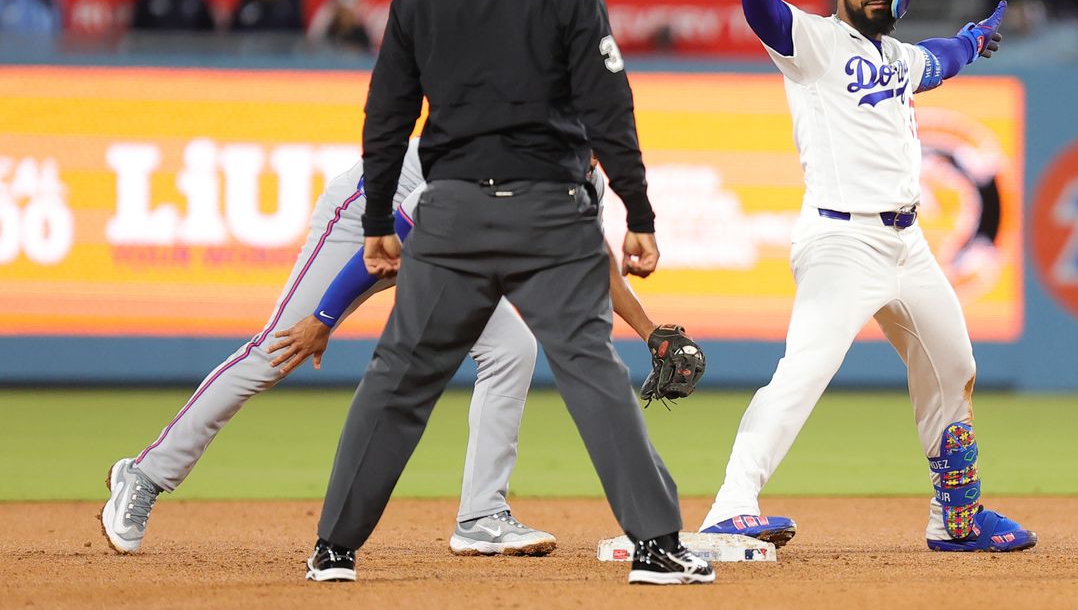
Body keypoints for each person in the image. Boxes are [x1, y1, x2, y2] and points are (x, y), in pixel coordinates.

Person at [307, 0, 713, 587]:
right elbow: (608, 110)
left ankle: (333, 548)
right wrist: (639, 211)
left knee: (399, 375)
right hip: (550, 215)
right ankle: (656, 546)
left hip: (452, 212)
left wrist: (373, 223)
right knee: (591, 370)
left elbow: (386, 120)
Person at [100, 140, 683, 560]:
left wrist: (651, 331)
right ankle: (145, 475)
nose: (593, 155)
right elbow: (399, 229)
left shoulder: (583, 178)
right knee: (276, 350)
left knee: (511, 348)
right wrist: (324, 318)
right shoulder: (496, 154)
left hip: (444, 240)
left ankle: (482, 516)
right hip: (371, 215)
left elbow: (591, 260)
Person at [697, 0, 1037, 555]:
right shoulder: (814, 43)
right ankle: (731, 505)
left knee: (953, 362)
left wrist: (970, 42)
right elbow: (763, 13)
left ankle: (956, 520)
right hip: (840, 239)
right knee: (806, 370)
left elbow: (937, 61)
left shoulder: (896, 57)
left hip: (908, 244)